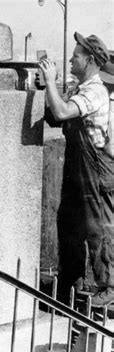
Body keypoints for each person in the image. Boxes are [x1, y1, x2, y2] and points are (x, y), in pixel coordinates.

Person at [39, 32, 114, 306]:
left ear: (90, 60)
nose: (70, 60)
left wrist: (49, 81)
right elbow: (54, 115)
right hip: (76, 170)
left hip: (95, 171)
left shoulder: (94, 91)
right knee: (68, 223)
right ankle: (70, 284)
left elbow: (61, 113)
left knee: (98, 229)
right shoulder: (78, 89)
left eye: (75, 57)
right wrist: (43, 89)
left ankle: (109, 289)